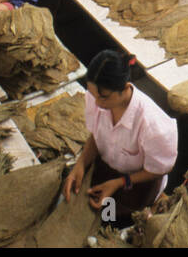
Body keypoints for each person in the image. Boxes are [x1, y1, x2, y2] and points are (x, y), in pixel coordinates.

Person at [62, 51, 177, 222]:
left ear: (124, 89)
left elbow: (158, 169)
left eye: (104, 97)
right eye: (93, 95)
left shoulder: (154, 126)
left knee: (112, 220)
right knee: (78, 206)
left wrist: (119, 183)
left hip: (137, 184)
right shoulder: (97, 97)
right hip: (107, 169)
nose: (97, 103)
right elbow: (96, 135)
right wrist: (80, 164)